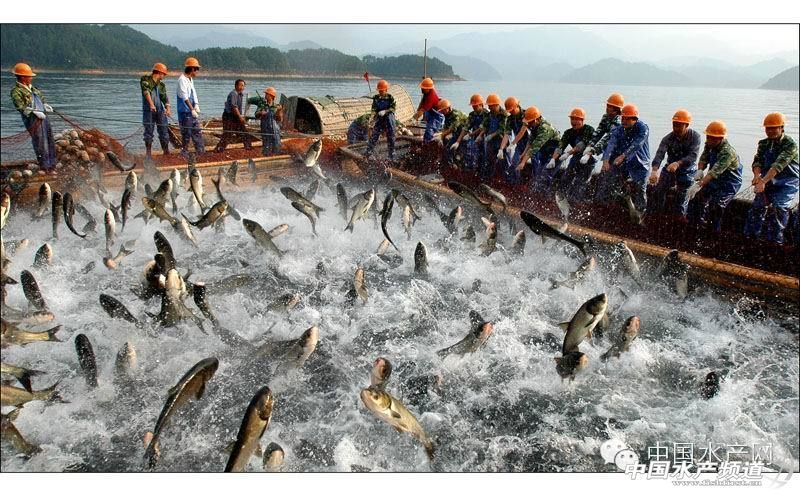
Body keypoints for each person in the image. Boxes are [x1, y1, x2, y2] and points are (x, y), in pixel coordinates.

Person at [743, 112, 799, 245]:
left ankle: (775, 242)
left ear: (781, 128)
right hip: (767, 181)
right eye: (768, 128)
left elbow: (778, 165)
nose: (770, 131)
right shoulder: (763, 143)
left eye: (774, 128)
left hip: (787, 182)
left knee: (779, 208)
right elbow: (757, 161)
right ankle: (750, 238)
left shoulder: (790, 144)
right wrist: (757, 176)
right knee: (757, 207)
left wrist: (763, 181)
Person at [686, 121, 742, 232]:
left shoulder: (728, 152)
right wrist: (700, 170)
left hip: (729, 183)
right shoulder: (709, 144)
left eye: (712, 138)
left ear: (720, 138)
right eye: (708, 137)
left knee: (716, 205)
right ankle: (695, 226)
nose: (709, 140)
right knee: (696, 199)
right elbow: (704, 158)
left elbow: (714, 172)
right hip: (714, 180)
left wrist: (699, 184)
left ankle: (713, 232)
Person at [648, 109, 702, 218]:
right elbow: (660, 154)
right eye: (674, 125)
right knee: (657, 192)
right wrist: (654, 171)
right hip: (669, 169)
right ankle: (656, 216)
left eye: (679, 125)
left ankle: (680, 220)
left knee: (682, 199)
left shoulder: (695, 137)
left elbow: (693, 156)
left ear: (686, 125)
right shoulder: (668, 138)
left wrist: (678, 163)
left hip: (687, 170)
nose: (676, 128)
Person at [597, 104, 651, 213]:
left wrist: (623, 156)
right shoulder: (619, 129)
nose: (624, 121)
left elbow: (637, 144)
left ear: (635, 119)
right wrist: (606, 160)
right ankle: (606, 208)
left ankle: (641, 213)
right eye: (623, 118)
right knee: (609, 182)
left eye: (627, 119)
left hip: (640, 164)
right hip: (624, 163)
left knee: (641, 189)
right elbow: (611, 143)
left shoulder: (643, 128)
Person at [9, 62, 57, 171]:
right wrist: (33, 112)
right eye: (29, 76)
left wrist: (45, 105)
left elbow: (42, 98)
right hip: (32, 120)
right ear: (22, 77)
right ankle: (45, 166)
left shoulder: (33, 88)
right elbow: (20, 107)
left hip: (43, 117)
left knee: (49, 139)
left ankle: (53, 164)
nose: (31, 78)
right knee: (40, 141)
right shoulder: (16, 91)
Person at [553, 108, 596, 201]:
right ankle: (560, 200)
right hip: (575, 159)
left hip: (587, 160)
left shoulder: (589, 130)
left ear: (582, 120)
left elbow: (582, 144)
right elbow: (561, 145)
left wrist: (568, 153)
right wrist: (553, 158)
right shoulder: (568, 132)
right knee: (565, 179)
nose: (573, 122)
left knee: (579, 184)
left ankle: (576, 205)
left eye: (576, 119)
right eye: (572, 119)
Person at [516, 106, 560, 192]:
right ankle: (537, 195)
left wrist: (523, 163)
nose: (528, 125)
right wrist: (523, 154)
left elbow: (534, 148)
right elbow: (530, 142)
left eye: (529, 122)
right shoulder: (535, 127)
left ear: (535, 120)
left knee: (545, 176)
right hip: (545, 153)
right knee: (538, 175)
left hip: (554, 155)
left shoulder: (545, 129)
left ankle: (545, 199)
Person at [140, 62, 172, 159]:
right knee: (148, 131)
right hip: (149, 110)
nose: (164, 76)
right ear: (159, 72)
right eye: (164, 74)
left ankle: (166, 151)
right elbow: (146, 92)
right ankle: (148, 154)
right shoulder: (145, 80)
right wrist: (151, 104)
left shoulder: (161, 85)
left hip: (160, 111)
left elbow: (165, 98)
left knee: (164, 130)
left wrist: (168, 108)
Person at [582, 92, 624, 163]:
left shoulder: (619, 121)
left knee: (611, 169)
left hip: (620, 148)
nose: (607, 108)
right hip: (610, 147)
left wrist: (592, 151)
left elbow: (608, 138)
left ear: (616, 109)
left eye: (610, 106)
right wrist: (589, 145)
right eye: (607, 105)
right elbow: (598, 132)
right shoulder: (606, 117)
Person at [452, 93, 488, 173]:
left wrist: (471, 134)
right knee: (470, 154)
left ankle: (482, 175)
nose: (474, 107)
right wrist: (458, 141)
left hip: (485, 138)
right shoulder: (472, 115)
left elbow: (482, 127)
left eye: (475, 106)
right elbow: (466, 127)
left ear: (481, 105)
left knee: (484, 157)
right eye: (473, 106)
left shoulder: (487, 114)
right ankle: (469, 172)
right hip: (475, 138)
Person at [176, 57, 204, 158]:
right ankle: (184, 153)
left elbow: (193, 93)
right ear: (192, 69)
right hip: (185, 111)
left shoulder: (190, 79)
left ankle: (200, 152)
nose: (197, 71)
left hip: (191, 110)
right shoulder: (182, 80)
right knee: (186, 132)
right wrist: (192, 109)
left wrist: (196, 104)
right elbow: (185, 97)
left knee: (197, 131)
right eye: (197, 69)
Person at [214, 79, 252, 153]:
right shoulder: (233, 93)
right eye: (240, 85)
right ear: (236, 86)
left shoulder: (240, 94)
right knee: (228, 134)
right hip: (229, 116)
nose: (242, 87)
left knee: (244, 132)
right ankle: (219, 150)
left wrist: (240, 117)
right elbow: (234, 107)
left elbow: (238, 108)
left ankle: (248, 148)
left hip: (235, 116)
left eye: (243, 86)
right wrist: (240, 117)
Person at [365, 79, 396, 160]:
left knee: (391, 136)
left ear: (386, 89)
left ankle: (391, 155)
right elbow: (374, 109)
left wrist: (385, 111)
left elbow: (393, 108)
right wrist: (372, 117)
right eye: (379, 90)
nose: (381, 92)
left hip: (389, 119)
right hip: (379, 118)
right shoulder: (376, 98)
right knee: (374, 135)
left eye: (382, 90)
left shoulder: (390, 97)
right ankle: (368, 152)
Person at [499, 97, 528, 184]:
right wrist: (501, 148)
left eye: (512, 110)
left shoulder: (527, 115)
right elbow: (507, 134)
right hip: (520, 145)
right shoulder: (510, 119)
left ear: (517, 106)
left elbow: (522, 131)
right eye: (509, 111)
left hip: (532, 146)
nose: (510, 112)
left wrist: (512, 144)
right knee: (514, 164)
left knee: (536, 167)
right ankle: (515, 184)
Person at [247, 87, 282, 156]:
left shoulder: (277, 106)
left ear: (271, 96)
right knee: (266, 145)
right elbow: (256, 115)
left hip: (275, 130)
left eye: (267, 94)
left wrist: (279, 111)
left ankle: (276, 156)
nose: (265, 96)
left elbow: (279, 119)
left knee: (276, 144)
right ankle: (266, 156)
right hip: (265, 129)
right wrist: (261, 113)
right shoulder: (262, 105)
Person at [480, 94, 508, 181]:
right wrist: (480, 135)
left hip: (501, 141)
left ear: (496, 105)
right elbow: (485, 125)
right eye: (488, 106)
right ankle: (488, 179)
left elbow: (502, 129)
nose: (489, 107)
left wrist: (491, 135)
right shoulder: (489, 114)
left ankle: (502, 180)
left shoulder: (504, 115)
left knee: (502, 162)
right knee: (488, 160)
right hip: (490, 142)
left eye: (490, 106)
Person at [412, 77, 443, 144]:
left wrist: (413, 119)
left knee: (429, 131)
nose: (421, 89)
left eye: (423, 88)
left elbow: (422, 110)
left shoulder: (431, 97)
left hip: (436, 116)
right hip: (430, 112)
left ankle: (426, 145)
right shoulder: (426, 93)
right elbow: (422, 103)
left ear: (428, 89)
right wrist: (417, 111)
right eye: (421, 88)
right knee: (426, 123)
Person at [438, 99, 467, 168]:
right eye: (441, 111)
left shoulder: (456, 114)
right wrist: (441, 138)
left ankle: (458, 166)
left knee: (459, 151)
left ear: (448, 108)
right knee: (448, 148)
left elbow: (453, 128)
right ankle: (450, 165)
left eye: (443, 110)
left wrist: (442, 135)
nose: (442, 112)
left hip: (465, 134)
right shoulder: (446, 115)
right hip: (456, 134)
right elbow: (445, 127)